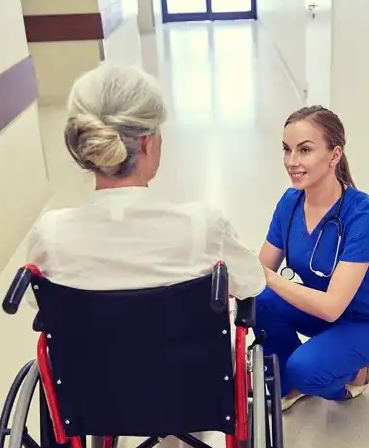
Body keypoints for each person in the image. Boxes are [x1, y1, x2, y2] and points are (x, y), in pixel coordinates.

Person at [24, 64, 264, 301]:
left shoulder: (51, 235)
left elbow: (36, 299)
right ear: (146, 143)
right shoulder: (203, 227)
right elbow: (251, 283)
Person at [257, 105, 369, 411]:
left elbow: (331, 306)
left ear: (334, 155)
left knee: (307, 369)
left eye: (305, 150)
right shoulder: (290, 203)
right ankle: (291, 379)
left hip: (368, 321)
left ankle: (351, 373)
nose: (292, 161)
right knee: (259, 300)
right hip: (321, 310)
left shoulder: (363, 214)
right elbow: (259, 270)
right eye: (287, 149)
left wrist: (266, 278)